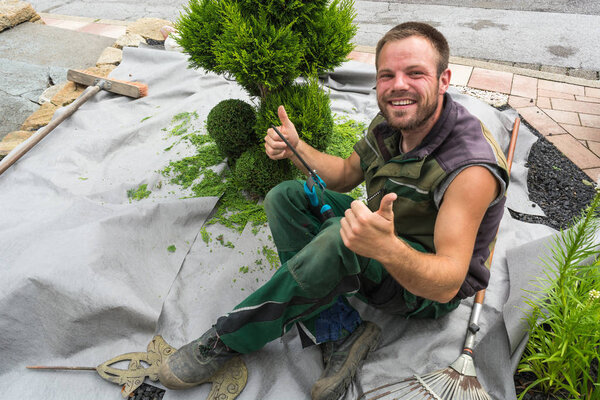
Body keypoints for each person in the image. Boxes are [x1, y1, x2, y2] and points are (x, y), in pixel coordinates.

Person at [158, 21, 509, 400]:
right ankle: (340, 329)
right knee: (284, 197)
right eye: (387, 75)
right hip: (386, 230)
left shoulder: (469, 169)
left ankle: (229, 338)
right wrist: (297, 146)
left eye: (415, 73)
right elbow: (344, 175)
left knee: (338, 241)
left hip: (419, 289)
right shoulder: (393, 120)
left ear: (444, 80)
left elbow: (447, 286)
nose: (399, 86)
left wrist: (386, 247)